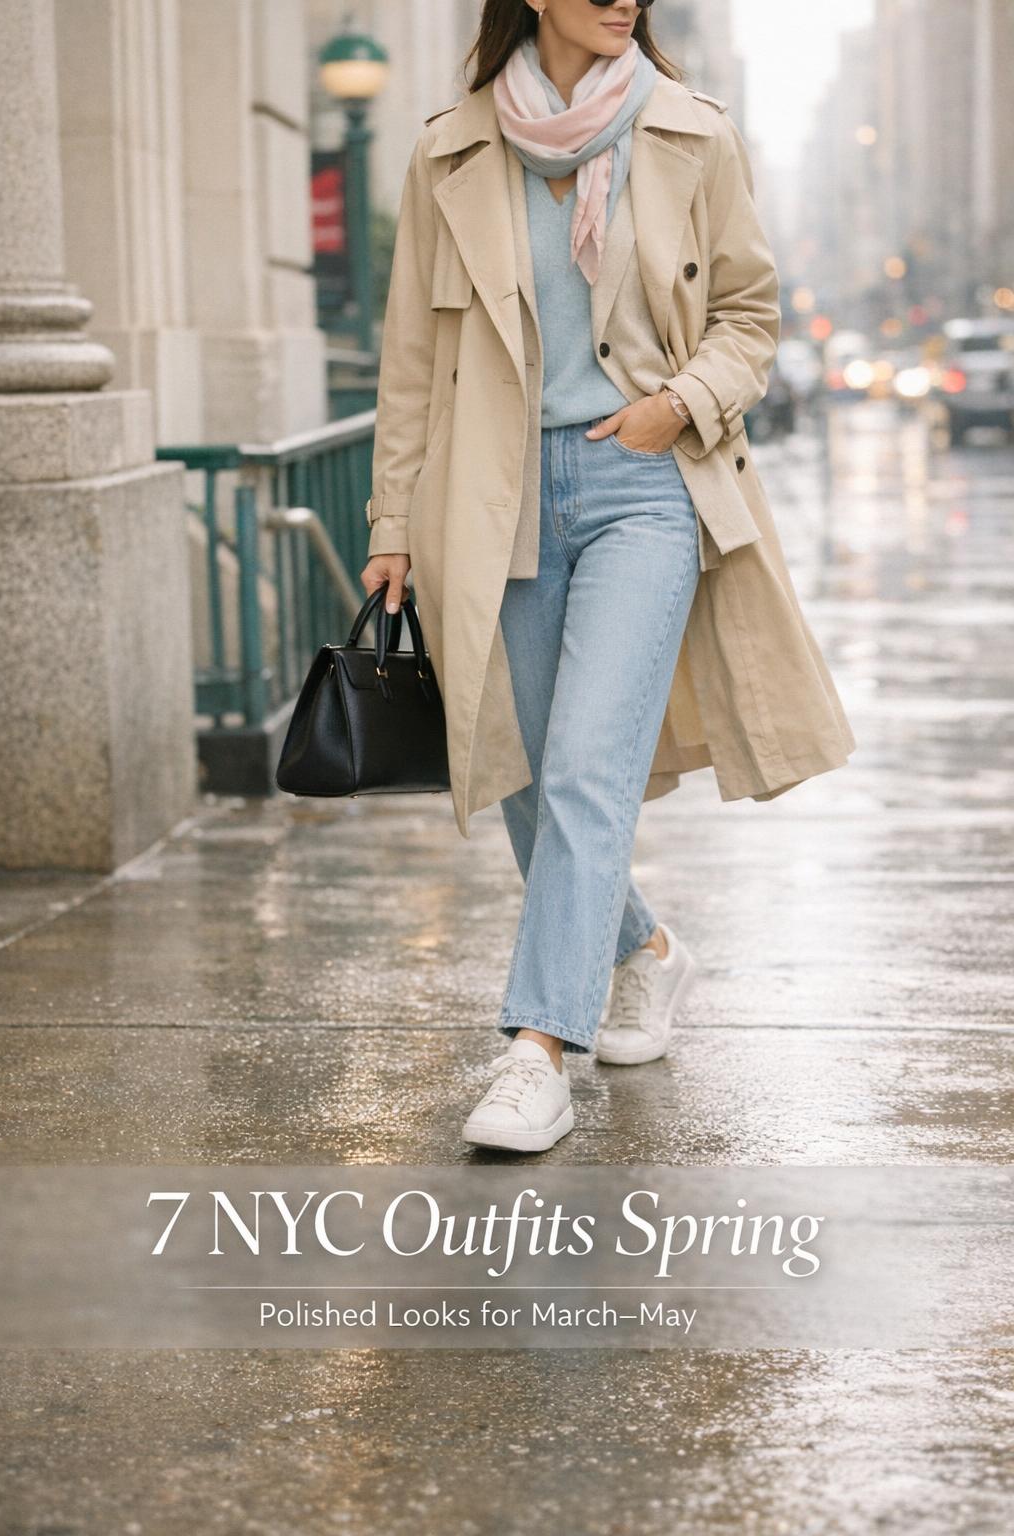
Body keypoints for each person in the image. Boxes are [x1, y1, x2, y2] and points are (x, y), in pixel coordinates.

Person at [359, 0, 855, 1154]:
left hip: (645, 489)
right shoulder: (451, 149)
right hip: (497, 499)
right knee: (530, 769)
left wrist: (674, 407)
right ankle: (644, 951)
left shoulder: (690, 134)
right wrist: (393, 520)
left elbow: (748, 312)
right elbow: (412, 361)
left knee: (587, 763)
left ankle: (537, 1051)